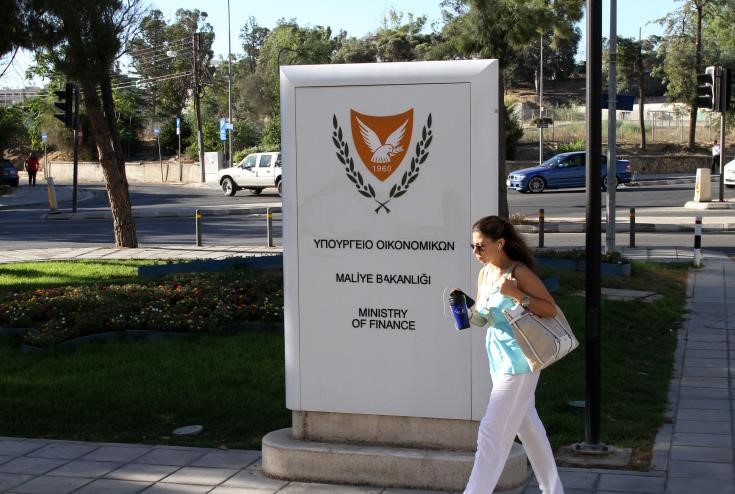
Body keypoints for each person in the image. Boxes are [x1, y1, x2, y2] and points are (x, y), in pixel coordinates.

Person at [452, 215, 564, 494]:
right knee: (530, 430)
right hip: (498, 360)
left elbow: (550, 309)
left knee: (491, 432)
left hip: (521, 361)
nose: (476, 252)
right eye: (473, 246)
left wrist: (516, 294)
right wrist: (465, 306)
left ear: (500, 243)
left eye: (481, 246)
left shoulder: (518, 272)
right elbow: (482, 319)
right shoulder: (485, 274)